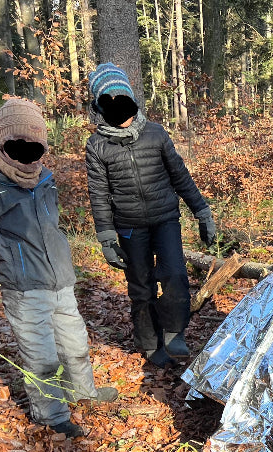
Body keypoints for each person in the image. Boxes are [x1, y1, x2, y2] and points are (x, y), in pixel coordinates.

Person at [0, 97, 118, 438]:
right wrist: (9, 266)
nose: (27, 152)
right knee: (42, 358)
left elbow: (53, 225)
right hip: (25, 289)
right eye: (18, 144)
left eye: (35, 145)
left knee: (75, 345)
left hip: (61, 281)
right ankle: (51, 415)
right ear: (3, 142)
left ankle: (83, 392)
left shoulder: (45, 179)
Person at [84, 63, 217, 366]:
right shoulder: (97, 146)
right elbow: (99, 195)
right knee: (141, 285)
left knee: (174, 274)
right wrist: (106, 237)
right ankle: (148, 341)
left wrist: (202, 212)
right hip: (129, 227)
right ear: (100, 107)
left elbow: (180, 176)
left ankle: (174, 330)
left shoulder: (156, 134)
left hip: (165, 219)